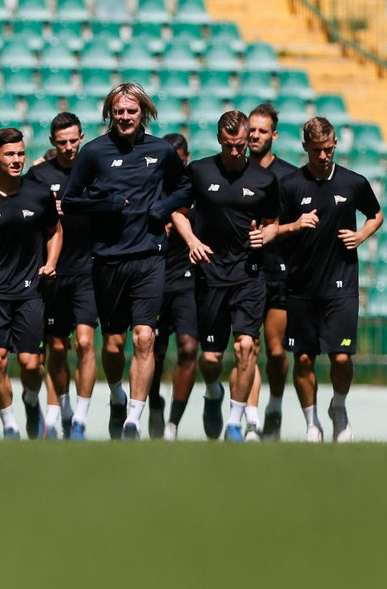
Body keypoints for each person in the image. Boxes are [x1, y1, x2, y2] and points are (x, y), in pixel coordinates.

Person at [62, 82, 192, 439]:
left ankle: (134, 418)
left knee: (145, 337)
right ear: (110, 115)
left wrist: (162, 208)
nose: (124, 117)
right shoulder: (93, 153)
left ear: (143, 113)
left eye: (130, 111)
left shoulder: (162, 151)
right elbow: (70, 201)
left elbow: (185, 188)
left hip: (150, 257)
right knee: (114, 344)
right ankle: (117, 394)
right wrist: (102, 205)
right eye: (118, 111)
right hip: (108, 260)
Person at [172, 111, 281, 442]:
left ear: (248, 140)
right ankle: (213, 392)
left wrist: (268, 234)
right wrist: (191, 241)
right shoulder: (200, 171)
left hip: (248, 275)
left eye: (241, 145)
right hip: (209, 276)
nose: (236, 152)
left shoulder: (264, 180)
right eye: (229, 145)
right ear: (220, 140)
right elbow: (178, 211)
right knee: (211, 359)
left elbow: (273, 221)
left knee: (247, 346)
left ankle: (235, 422)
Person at [278, 116, 382, 442]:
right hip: (301, 286)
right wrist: (295, 226)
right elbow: (272, 229)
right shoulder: (291, 186)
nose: (323, 157)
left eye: (328, 149)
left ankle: (338, 407)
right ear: (305, 147)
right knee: (305, 358)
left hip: (342, 284)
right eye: (316, 151)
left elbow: (376, 215)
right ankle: (312, 424)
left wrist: (361, 235)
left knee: (340, 356)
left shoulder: (353, 182)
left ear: (335, 144)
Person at [0, 127, 60, 439]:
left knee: (29, 364)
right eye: (9, 154)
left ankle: (30, 399)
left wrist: (50, 263)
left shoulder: (39, 193)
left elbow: (55, 230)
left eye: (21, 154)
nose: (16, 160)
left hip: (30, 291)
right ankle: (10, 426)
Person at [28, 112, 96, 440]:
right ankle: (58, 415)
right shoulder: (39, 175)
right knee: (56, 347)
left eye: (73, 140)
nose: (69, 147)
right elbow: (24, 215)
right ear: (53, 143)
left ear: (81, 137)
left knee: (84, 342)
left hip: (87, 269)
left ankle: (81, 418)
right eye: (62, 142)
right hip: (52, 271)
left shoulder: (95, 169)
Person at [244, 102, 297, 440]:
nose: (256, 136)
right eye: (252, 130)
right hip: (245, 271)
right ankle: (249, 420)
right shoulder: (234, 170)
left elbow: (303, 224)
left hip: (279, 271)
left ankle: (274, 407)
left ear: (274, 135)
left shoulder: (290, 176)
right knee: (247, 346)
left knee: (276, 352)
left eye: (263, 131)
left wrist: (278, 230)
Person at [149, 133, 200, 440]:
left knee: (189, 347)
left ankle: (173, 424)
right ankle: (154, 401)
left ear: (186, 158)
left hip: (185, 280)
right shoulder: (149, 188)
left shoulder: (195, 191)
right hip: (152, 280)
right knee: (153, 353)